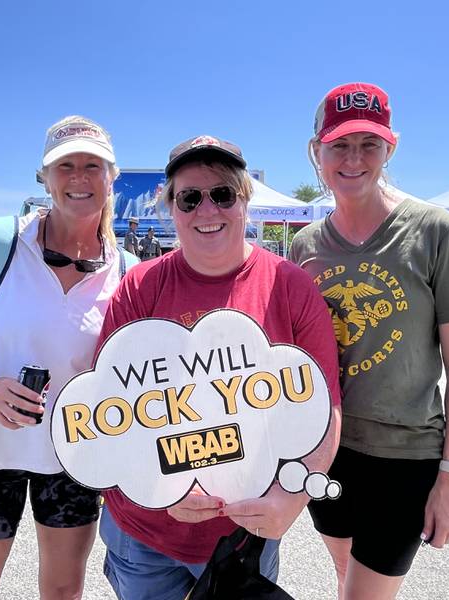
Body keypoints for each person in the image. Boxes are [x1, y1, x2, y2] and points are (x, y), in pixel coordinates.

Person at [98, 135, 343, 600]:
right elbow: (111, 413)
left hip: (245, 531)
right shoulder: (139, 287)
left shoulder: (290, 287)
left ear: (244, 199)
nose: (206, 211)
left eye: (222, 194)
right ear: (170, 207)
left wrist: (295, 496)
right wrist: (160, 487)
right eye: (190, 198)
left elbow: (325, 406)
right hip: (145, 533)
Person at [289, 82, 449, 600]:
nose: (353, 158)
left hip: (406, 457)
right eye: (339, 144)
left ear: (391, 147)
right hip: (328, 451)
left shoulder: (434, 231)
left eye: (369, 144)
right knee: (344, 576)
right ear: (317, 151)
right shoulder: (304, 246)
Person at [0, 115, 135, 600]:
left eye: (91, 165)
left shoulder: (126, 270)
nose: (78, 177)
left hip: (73, 459)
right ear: (45, 177)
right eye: (65, 166)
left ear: (111, 177)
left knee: (62, 592)